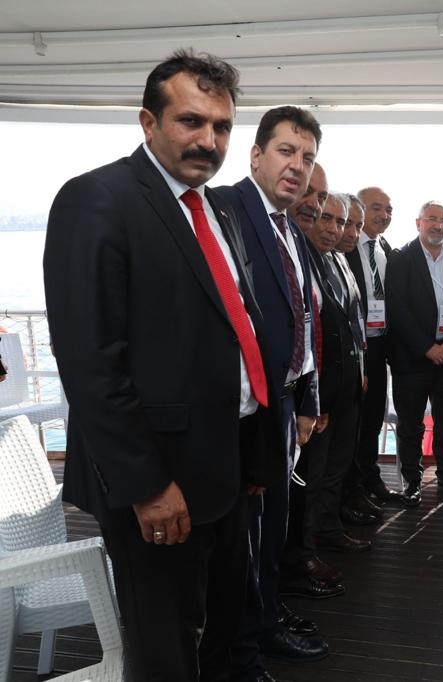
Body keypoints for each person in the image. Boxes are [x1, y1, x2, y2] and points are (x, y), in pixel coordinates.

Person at [43, 50, 284, 681]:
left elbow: (236, 330)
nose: (209, 141)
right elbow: (90, 363)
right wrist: (147, 487)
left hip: (227, 464)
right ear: (148, 122)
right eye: (190, 121)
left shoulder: (218, 209)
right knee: (165, 651)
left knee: (220, 629)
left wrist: (253, 455)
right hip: (158, 478)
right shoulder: (97, 199)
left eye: (222, 127)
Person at [218, 106, 327, 675]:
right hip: (246, 412)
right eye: (286, 151)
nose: (297, 166)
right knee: (246, 537)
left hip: (285, 406)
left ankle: (264, 625)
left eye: (306, 157)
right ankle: (242, 652)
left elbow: (303, 317)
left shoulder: (290, 230)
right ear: (256, 155)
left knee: (273, 529)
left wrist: (307, 402)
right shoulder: (224, 212)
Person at [277, 163, 350, 611]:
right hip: (282, 401)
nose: (314, 204)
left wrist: (314, 398)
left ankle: (298, 562)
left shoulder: (306, 252)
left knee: (307, 483)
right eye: (310, 193)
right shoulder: (283, 246)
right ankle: (293, 568)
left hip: (309, 397)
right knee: (296, 488)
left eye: (320, 196)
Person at [294, 190, 371, 554]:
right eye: (328, 218)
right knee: (314, 472)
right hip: (320, 390)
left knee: (337, 465)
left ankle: (328, 528)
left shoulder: (340, 259)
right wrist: (316, 398)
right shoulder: (301, 260)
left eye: (342, 222)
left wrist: (361, 369)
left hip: (347, 385)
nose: (335, 229)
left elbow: (353, 320)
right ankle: (304, 549)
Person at [386, 201, 443, 505]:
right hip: (412, 358)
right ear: (418, 223)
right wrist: (427, 348)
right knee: (410, 424)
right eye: (432, 219)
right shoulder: (400, 258)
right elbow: (397, 309)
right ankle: (412, 482)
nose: (438, 225)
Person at [346, 186, 404, 505]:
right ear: (359, 209)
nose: (385, 215)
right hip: (355, 348)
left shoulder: (385, 249)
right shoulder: (345, 247)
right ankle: (351, 489)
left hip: (380, 346)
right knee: (352, 423)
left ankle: (369, 478)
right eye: (377, 208)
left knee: (372, 419)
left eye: (389, 209)